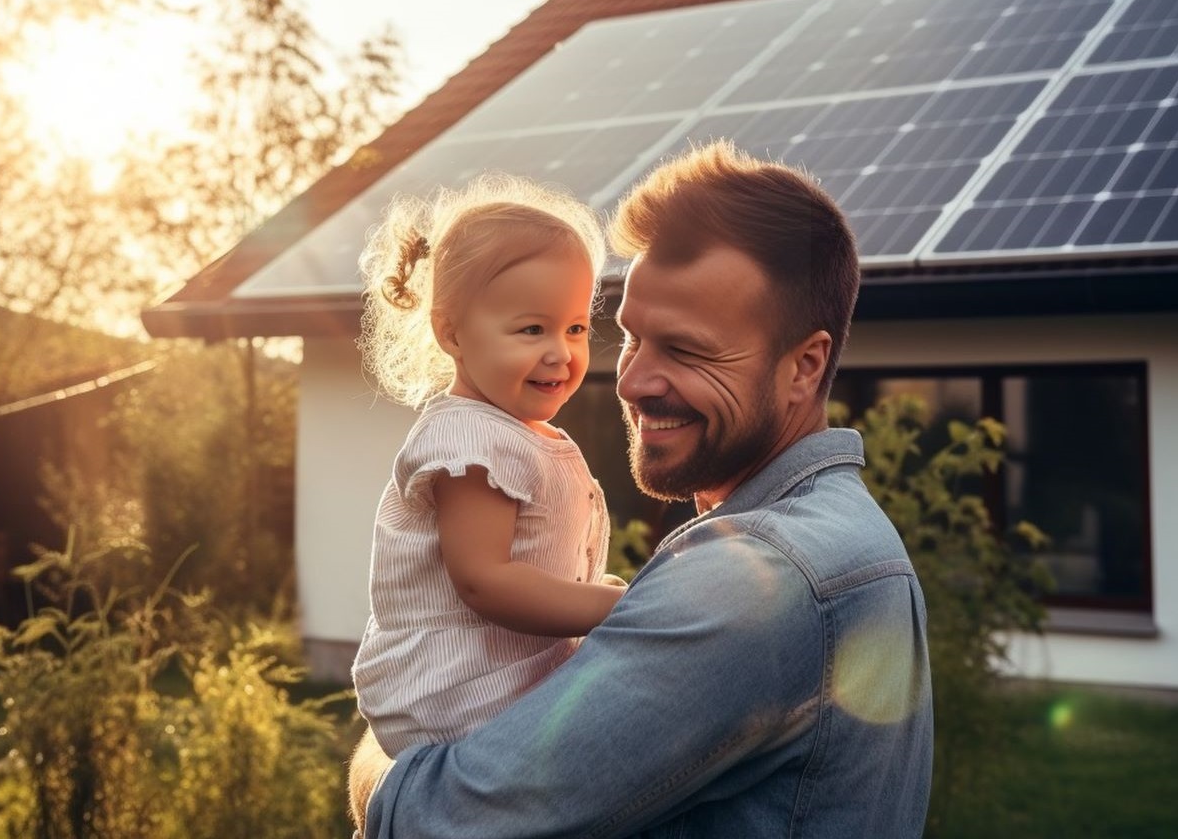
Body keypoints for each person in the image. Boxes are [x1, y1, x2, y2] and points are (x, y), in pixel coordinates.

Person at [352, 140, 934, 838]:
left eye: (686, 350)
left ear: (804, 367)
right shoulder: (838, 535)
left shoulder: (757, 581)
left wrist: (382, 754)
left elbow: (434, 820)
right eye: (630, 339)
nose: (630, 381)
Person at [350, 173, 627, 758]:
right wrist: (613, 609)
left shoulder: (515, 433)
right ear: (450, 331)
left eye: (575, 328)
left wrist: (593, 592)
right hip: (459, 691)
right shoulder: (470, 440)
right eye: (532, 329)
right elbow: (486, 580)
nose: (562, 352)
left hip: (493, 681)